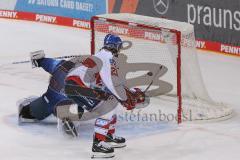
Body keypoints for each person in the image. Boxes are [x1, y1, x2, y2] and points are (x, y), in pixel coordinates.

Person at [64, 34, 149, 158]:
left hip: (76, 85)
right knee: (106, 108)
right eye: (119, 46)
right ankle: (97, 145)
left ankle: (108, 137)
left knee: (112, 102)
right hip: (77, 86)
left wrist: (129, 92)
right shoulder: (108, 58)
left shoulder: (102, 56)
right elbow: (112, 83)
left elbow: (111, 83)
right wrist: (125, 99)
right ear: (115, 46)